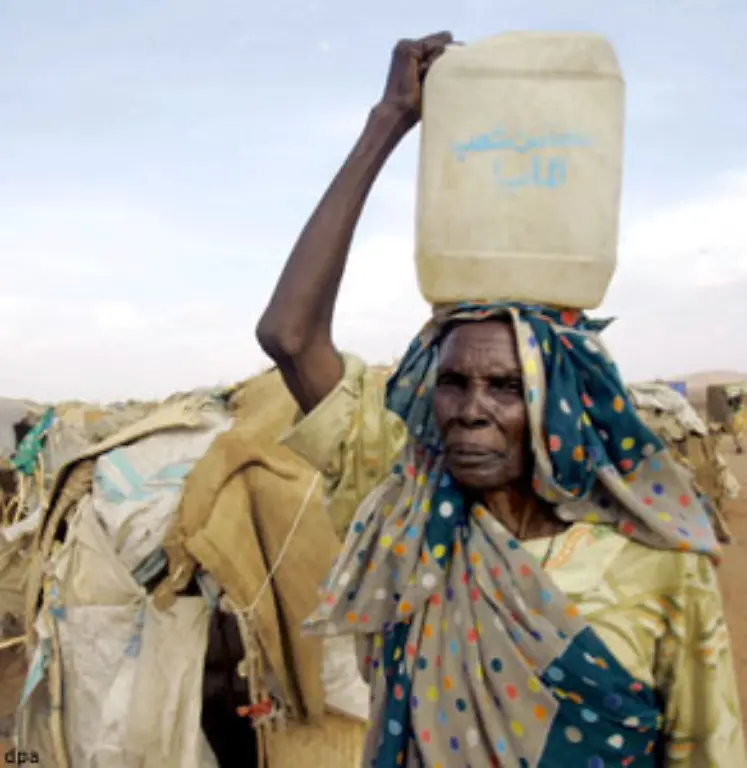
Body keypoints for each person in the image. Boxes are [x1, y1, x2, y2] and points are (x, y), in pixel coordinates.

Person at [256, 32, 746, 767]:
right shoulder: (406, 519)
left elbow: (706, 750)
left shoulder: (655, 566)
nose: (468, 408)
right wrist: (388, 121)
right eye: (451, 382)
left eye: (506, 387)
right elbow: (289, 336)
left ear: (560, 409)